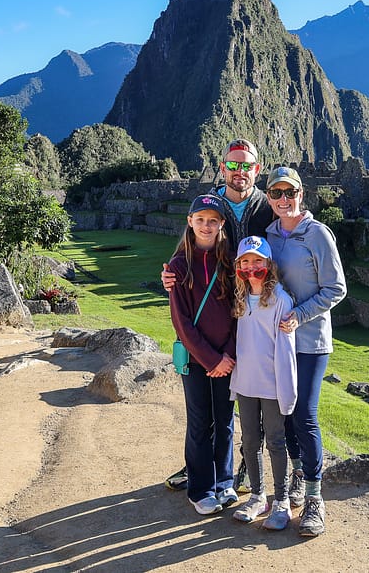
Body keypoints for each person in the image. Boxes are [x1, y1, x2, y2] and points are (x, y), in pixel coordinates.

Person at [163, 138, 274, 492]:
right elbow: (193, 242)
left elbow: (286, 233)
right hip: (219, 308)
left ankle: (242, 465)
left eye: (247, 165)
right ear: (223, 166)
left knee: (248, 395)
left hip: (258, 309)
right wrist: (173, 273)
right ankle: (200, 468)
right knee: (207, 410)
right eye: (233, 164)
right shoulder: (212, 204)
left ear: (257, 170)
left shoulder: (266, 206)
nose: (239, 171)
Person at [264, 165, 347, 537]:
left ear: (301, 194)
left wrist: (299, 315)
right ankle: (298, 474)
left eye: (290, 192)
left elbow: (336, 289)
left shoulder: (318, 234)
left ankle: (315, 498)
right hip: (278, 340)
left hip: (310, 340)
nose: (284, 200)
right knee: (282, 414)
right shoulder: (268, 235)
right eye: (276, 193)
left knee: (305, 416)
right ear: (269, 198)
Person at [168, 194, 238, 515]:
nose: (206, 226)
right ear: (190, 222)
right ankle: (200, 489)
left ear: (221, 224)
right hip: (198, 361)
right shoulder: (180, 267)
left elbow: (240, 312)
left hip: (228, 359)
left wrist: (230, 355)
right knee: (200, 423)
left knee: (224, 422)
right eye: (201, 220)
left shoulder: (231, 262)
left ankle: (224, 482)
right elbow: (182, 323)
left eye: (213, 220)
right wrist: (213, 360)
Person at [228, 235, 297, 530]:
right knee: (250, 441)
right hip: (246, 382)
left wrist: (287, 388)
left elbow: (286, 350)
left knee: (276, 440)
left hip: (271, 384)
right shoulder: (240, 298)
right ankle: (258, 496)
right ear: (238, 266)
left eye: (257, 261)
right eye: (245, 261)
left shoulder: (281, 300)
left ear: (268, 265)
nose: (251, 266)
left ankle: (281, 500)